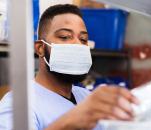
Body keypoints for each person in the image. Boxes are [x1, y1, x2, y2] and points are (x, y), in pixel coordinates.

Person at [0, 4, 139, 130]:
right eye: (65, 37)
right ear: (40, 48)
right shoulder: (18, 105)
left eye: (83, 39)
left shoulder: (85, 96)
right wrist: (70, 121)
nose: (78, 44)